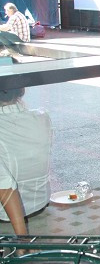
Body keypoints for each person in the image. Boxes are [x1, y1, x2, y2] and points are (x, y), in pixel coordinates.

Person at [0, 87, 52, 234]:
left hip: (6, 215)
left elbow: (4, 184)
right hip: (39, 204)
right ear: (21, 90)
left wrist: (22, 238)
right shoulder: (42, 116)